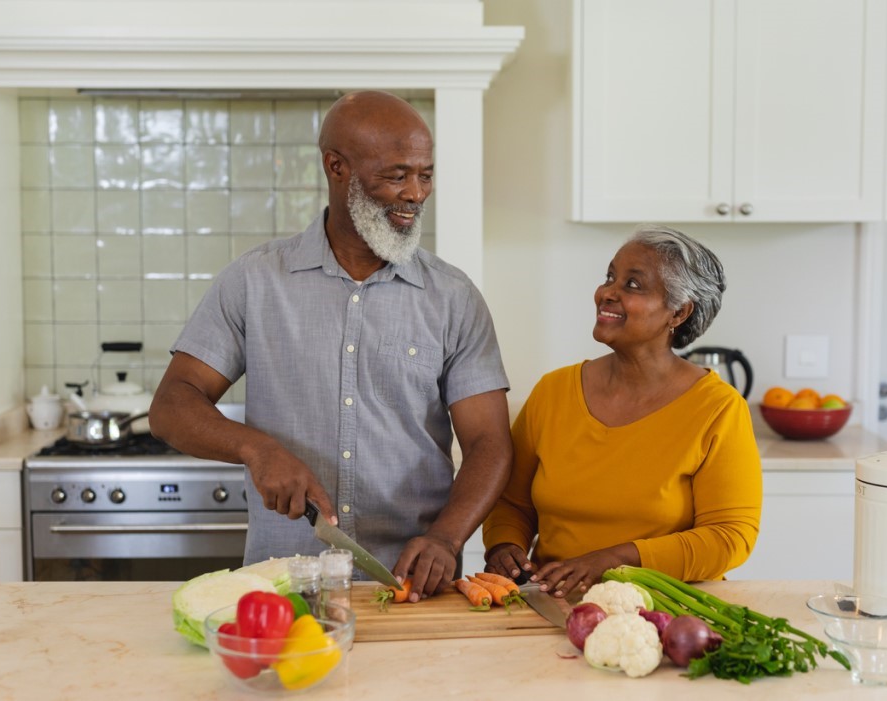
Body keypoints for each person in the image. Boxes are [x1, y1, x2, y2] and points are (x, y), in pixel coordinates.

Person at [149, 90, 513, 601]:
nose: (415, 193)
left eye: (425, 174)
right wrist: (257, 449)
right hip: (282, 588)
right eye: (396, 175)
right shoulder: (254, 281)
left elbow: (489, 444)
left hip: (413, 589)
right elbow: (172, 404)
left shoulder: (453, 297)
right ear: (336, 167)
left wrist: (446, 537)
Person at [482, 225, 761, 597]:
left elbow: (730, 537)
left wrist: (612, 560)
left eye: (633, 284)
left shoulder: (718, 408)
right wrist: (505, 547)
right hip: (553, 601)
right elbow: (512, 502)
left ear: (678, 312)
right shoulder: (554, 392)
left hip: (666, 610)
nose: (607, 293)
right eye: (610, 276)